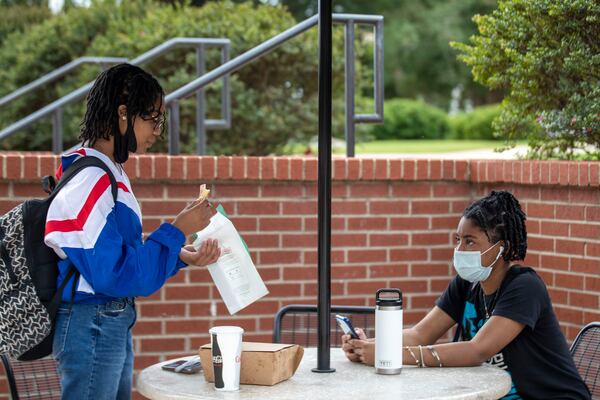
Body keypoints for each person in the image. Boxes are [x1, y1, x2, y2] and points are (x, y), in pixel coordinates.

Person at [44, 63, 220, 400]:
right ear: (124, 113)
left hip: (106, 320)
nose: (158, 130)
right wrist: (176, 230)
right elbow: (113, 274)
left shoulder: (109, 172)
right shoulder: (91, 179)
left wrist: (180, 253)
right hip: (93, 320)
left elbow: (118, 253)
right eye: (153, 118)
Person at [343, 190, 591, 399]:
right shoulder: (467, 284)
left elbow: (477, 350)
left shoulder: (525, 286)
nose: (460, 249)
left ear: (501, 248)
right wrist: (370, 346)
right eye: (458, 239)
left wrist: (391, 356)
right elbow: (421, 333)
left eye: (470, 242)